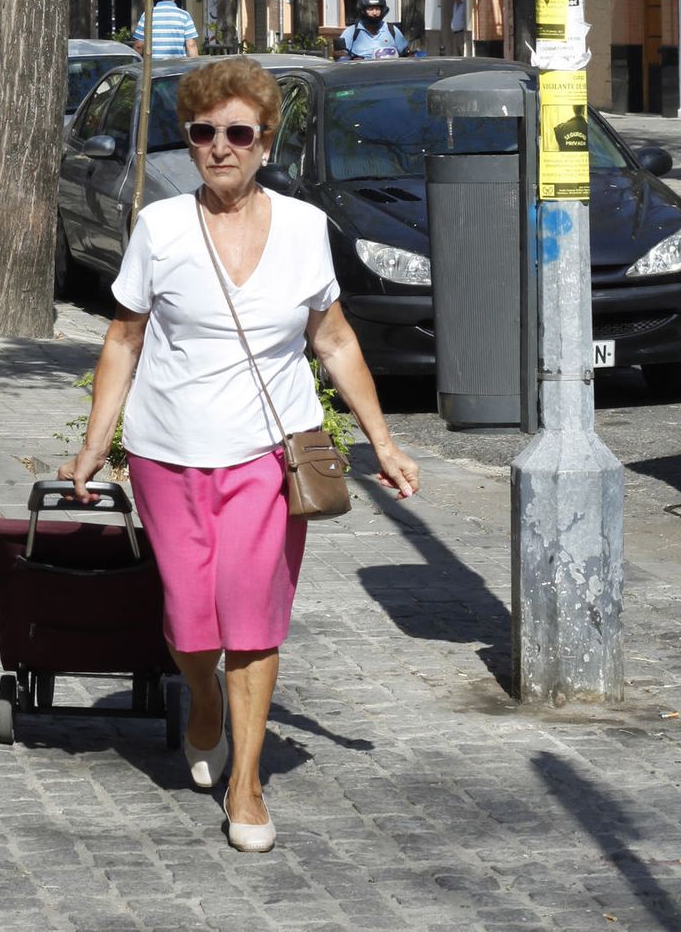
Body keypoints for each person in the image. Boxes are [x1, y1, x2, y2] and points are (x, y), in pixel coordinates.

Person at [60, 56, 418, 855]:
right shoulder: (160, 227)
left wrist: (383, 443)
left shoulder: (301, 227)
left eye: (236, 132)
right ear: (190, 141)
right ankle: (204, 700)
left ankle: (247, 781)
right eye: (203, 132)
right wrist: (93, 446)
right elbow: (123, 338)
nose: (219, 146)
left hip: (269, 451)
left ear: (264, 141)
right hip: (168, 451)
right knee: (192, 624)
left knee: (252, 618)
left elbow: (333, 337)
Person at [132, 0, 200, 59]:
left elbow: (139, 45)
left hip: (153, 66)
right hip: (177, 66)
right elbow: (191, 45)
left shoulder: (147, 15)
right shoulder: (184, 16)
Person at [334, 0, 412, 60]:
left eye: (377, 9)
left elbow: (406, 52)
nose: (374, 13)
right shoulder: (352, 31)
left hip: (390, 72)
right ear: (362, 11)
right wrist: (346, 56)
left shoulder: (391, 29)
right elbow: (339, 55)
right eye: (371, 9)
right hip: (360, 73)